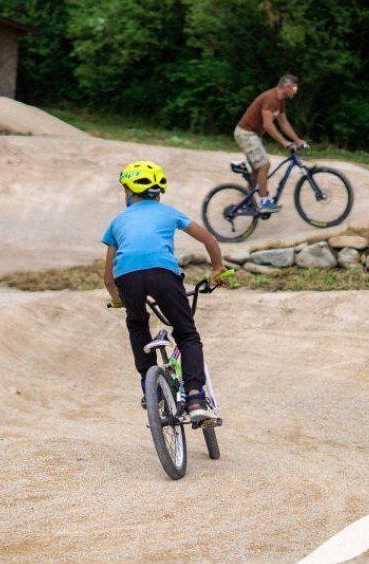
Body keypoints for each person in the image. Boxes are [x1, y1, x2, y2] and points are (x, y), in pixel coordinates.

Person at [102, 161, 227, 422]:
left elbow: (107, 276)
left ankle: (150, 391)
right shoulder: (169, 212)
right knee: (187, 334)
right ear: (159, 193)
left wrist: (117, 299)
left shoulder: (117, 222)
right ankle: (195, 399)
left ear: (127, 193)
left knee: (137, 324)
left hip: (127, 276)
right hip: (163, 274)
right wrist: (217, 268)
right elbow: (209, 240)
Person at [234, 74, 309, 214]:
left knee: (257, 172)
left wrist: (298, 140)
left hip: (252, 135)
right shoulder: (271, 98)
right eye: (294, 87)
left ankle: (247, 203)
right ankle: (264, 202)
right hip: (246, 133)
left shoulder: (280, 101)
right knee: (264, 164)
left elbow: (283, 123)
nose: (295, 91)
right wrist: (285, 143)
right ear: (287, 86)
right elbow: (268, 125)